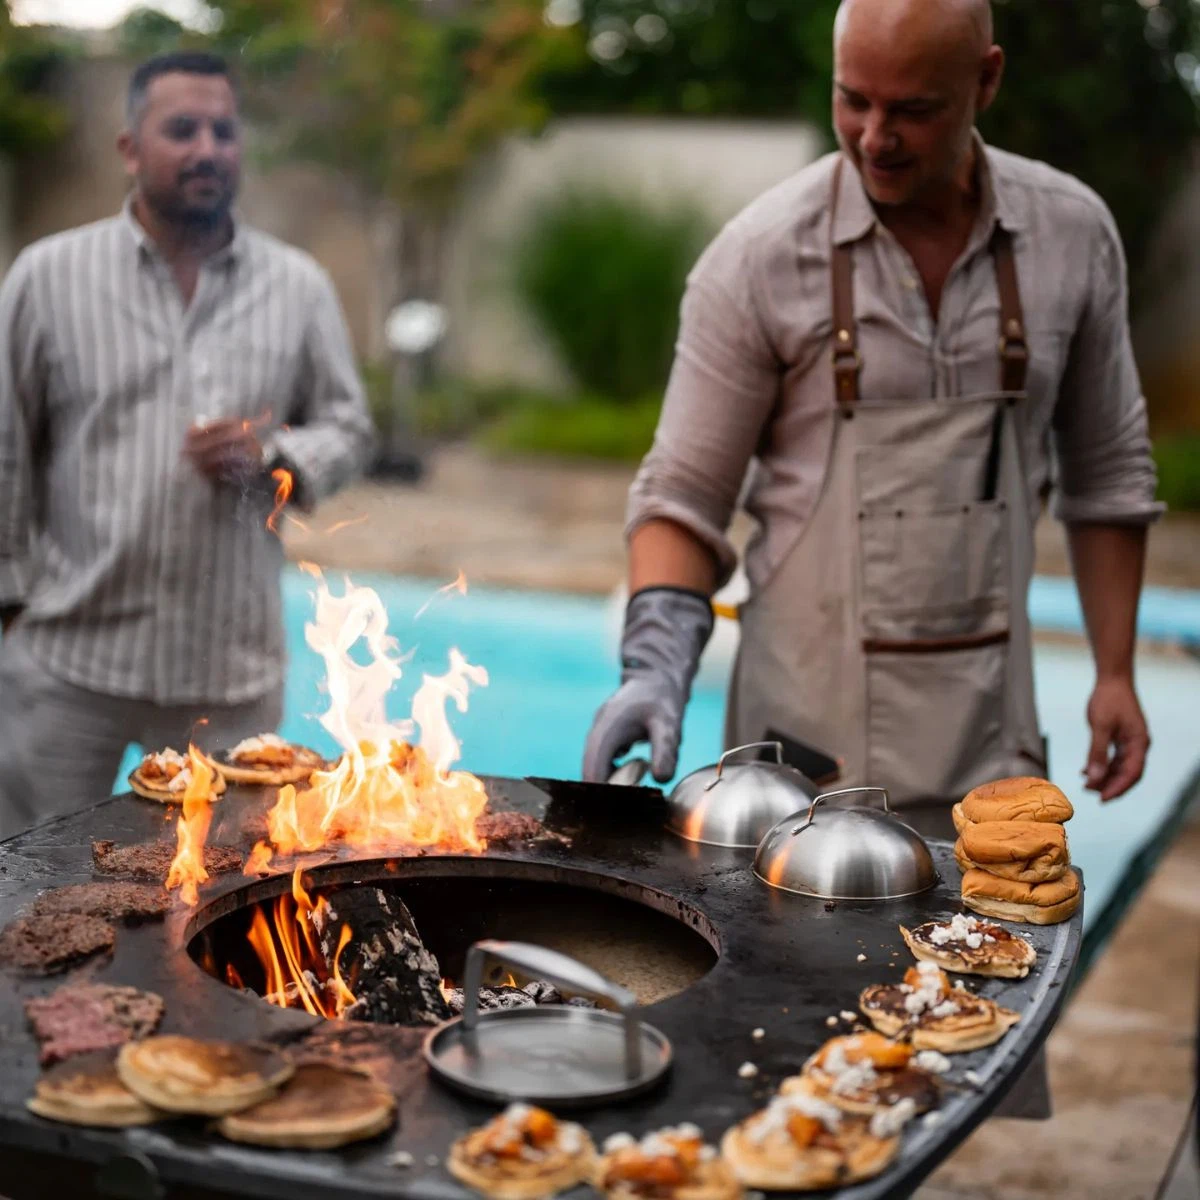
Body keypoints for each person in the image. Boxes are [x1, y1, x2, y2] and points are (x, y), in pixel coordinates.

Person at [583, 0, 1162, 840]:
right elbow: (682, 498)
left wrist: (1116, 671)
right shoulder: (760, 258)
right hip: (798, 777)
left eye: (913, 110)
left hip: (991, 757)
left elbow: (1109, 474)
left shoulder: (1070, 236)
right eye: (853, 99)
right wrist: (654, 670)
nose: (874, 137)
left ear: (986, 80)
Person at [0, 51, 375, 838]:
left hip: (229, 678)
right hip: (71, 666)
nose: (207, 148)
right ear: (130, 147)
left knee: (218, 913)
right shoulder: (47, 277)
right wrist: (10, 604)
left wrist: (277, 458)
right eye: (181, 129)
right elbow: (6, 447)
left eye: (224, 131)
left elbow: (350, 426)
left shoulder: (296, 285)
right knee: (31, 887)